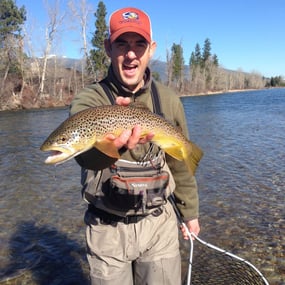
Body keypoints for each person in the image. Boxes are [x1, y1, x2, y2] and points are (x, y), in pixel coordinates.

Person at [70, 7, 202, 285]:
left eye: (139, 44)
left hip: (159, 226)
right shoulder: (90, 100)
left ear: (151, 49)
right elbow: (84, 157)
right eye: (122, 44)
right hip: (107, 230)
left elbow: (179, 163)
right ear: (108, 47)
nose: (131, 54)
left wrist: (189, 213)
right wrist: (113, 146)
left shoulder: (168, 99)